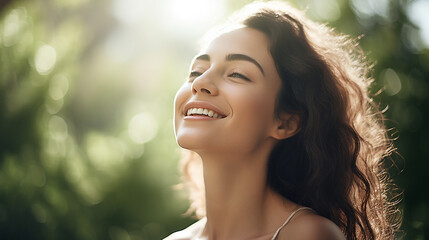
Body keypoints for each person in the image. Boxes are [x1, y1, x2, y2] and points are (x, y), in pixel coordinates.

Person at [165, 1, 400, 239]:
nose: (199, 83)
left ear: (285, 122)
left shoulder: (310, 235)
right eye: (196, 71)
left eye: (237, 74)